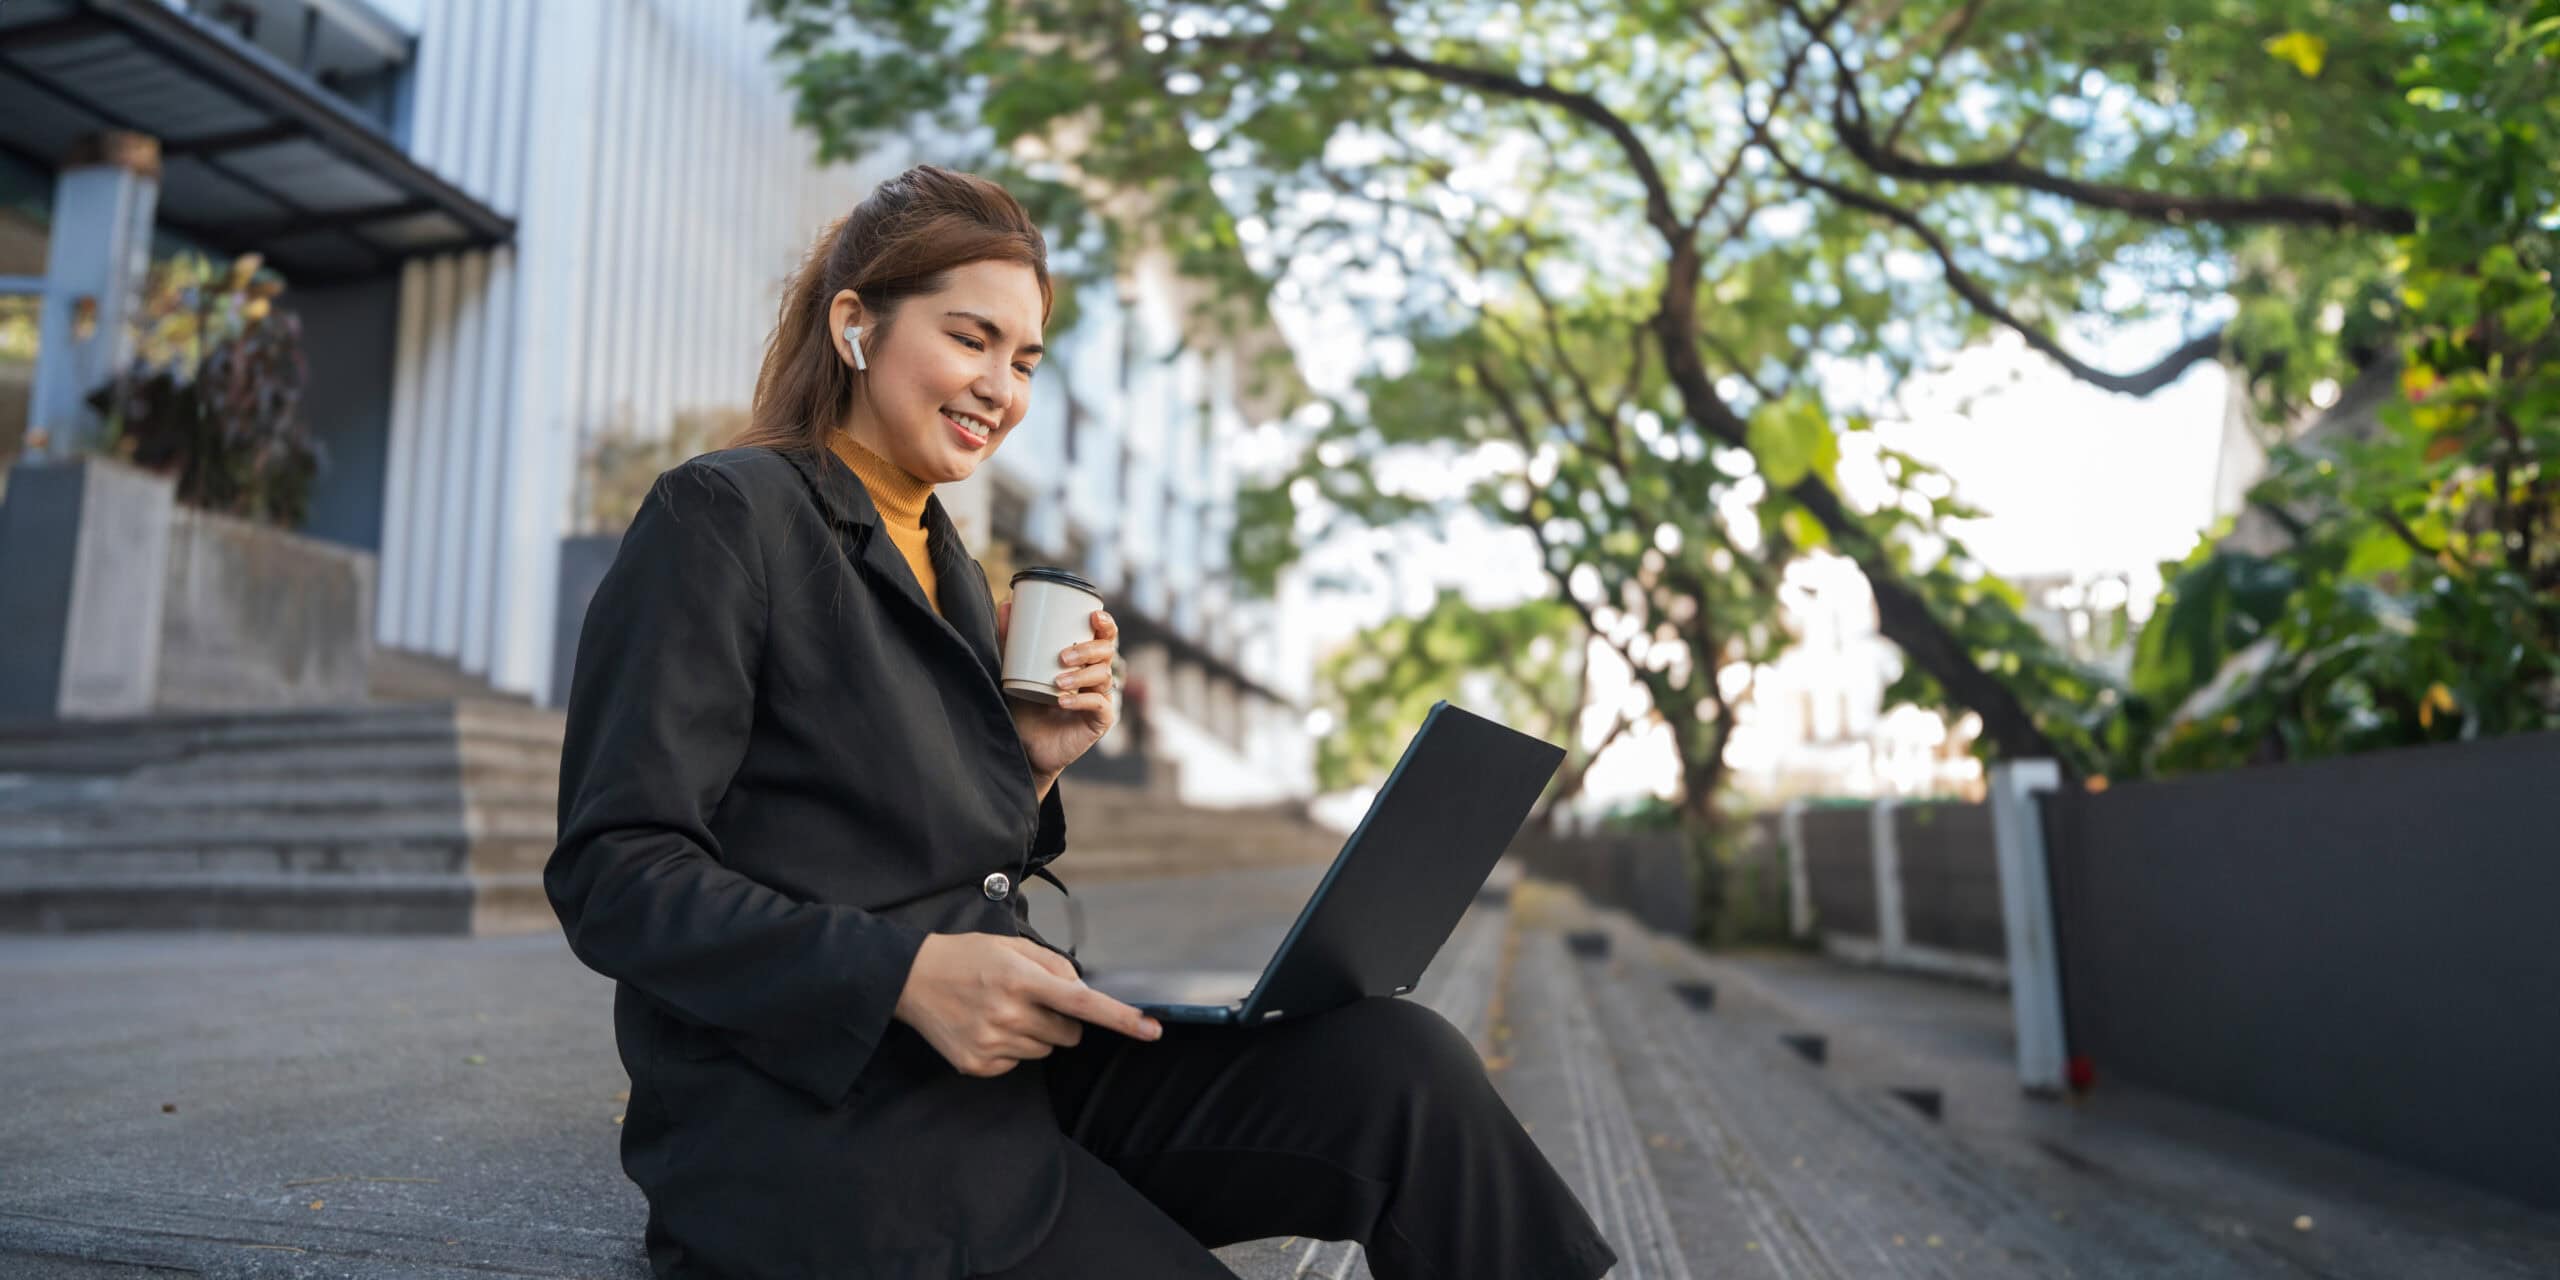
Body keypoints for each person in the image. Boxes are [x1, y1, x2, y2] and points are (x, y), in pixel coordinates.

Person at [545, 163, 1619, 1280]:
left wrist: (1033, 767)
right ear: (856, 324)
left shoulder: (951, 568)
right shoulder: (725, 514)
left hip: (1005, 1082)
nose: (1000, 388)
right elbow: (614, 871)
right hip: (820, 1127)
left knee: (1400, 1064)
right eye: (971, 338)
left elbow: (904, 843)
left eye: (1023, 359)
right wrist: (901, 974)